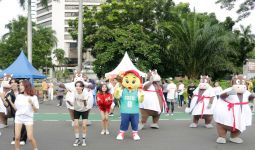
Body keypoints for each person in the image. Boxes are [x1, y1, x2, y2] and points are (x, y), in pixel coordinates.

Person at [13, 80, 39, 150]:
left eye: (21, 85)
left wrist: (31, 103)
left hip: (28, 118)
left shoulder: (33, 97)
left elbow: (36, 110)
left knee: (30, 138)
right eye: (19, 85)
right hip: (19, 117)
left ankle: (35, 148)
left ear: (26, 86)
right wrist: (9, 101)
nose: (20, 87)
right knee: (17, 137)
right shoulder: (19, 96)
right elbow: (16, 108)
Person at [68, 81, 93, 147]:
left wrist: (84, 101)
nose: (77, 87)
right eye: (76, 86)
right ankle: (77, 139)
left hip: (85, 110)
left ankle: (84, 139)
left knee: (84, 126)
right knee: (76, 125)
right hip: (76, 110)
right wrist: (69, 102)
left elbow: (85, 105)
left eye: (79, 86)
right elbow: (72, 102)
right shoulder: (74, 92)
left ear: (82, 87)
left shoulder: (85, 93)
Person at [8, 79, 27, 145]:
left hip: (24, 111)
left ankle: (23, 139)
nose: (13, 84)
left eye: (14, 82)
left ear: (17, 83)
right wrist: (3, 98)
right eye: (11, 83)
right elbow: (6, 105)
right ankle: (15, 138)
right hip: (15, 113)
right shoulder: (9, 94)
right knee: (16, 126)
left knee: (23, 126)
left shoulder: (22, 92)